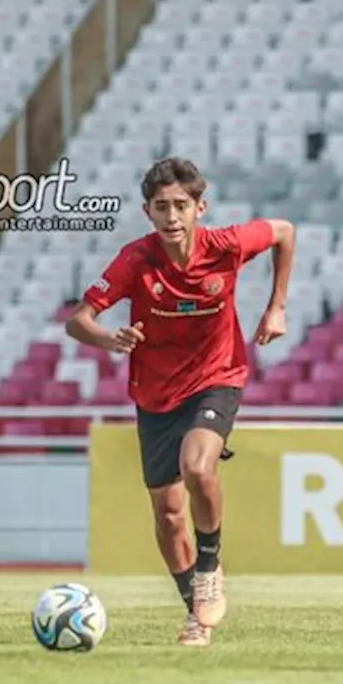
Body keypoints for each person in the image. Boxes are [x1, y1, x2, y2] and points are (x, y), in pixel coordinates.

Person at [66, 157, 295, 648]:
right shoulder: (135, 260)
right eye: (161, 207)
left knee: (198, 466)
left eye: (181, 206)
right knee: (169, 517)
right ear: (148, 212)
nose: (172, 216)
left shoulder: (226, 246)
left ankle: (210, 568)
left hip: (217, 377)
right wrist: (109, 338)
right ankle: (196, 613)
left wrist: (276, 306)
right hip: (155, 393)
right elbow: (78, 320)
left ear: (199, 207)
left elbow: (283, 231)